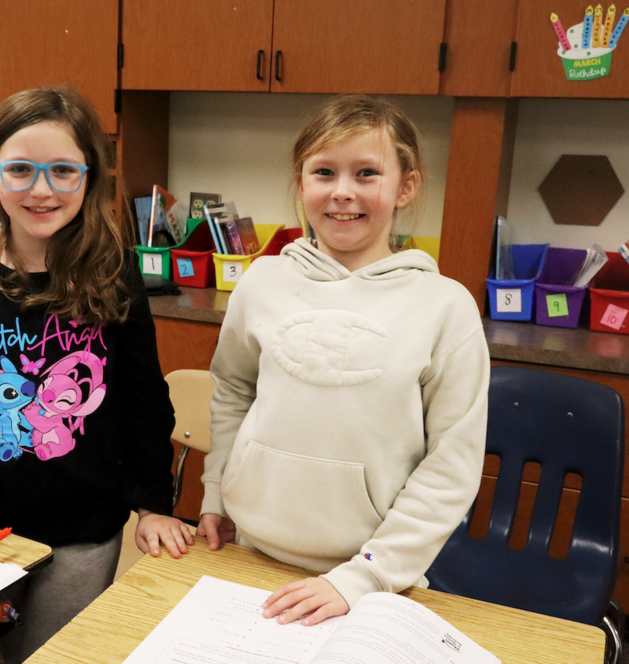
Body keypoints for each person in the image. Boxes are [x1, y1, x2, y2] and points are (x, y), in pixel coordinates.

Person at [0, 87, 193, 661]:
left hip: (84, 533)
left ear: (89, 177)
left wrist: (154, 503)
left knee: (57, 655)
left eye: (63, 170)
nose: (41, 190)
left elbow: (144, 400)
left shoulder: (116, 277)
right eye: (20, 170)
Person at [196, 94, 489, 627]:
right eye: (324, 172)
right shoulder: (261, 282)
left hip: (369, 580)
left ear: (406, 187)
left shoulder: (446, 307)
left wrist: (364, 577)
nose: (342, 193)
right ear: (301, 181)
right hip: (246, 551)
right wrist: (216, 490)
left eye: (367, 173)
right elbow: (233, 391)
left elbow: (452, 465)